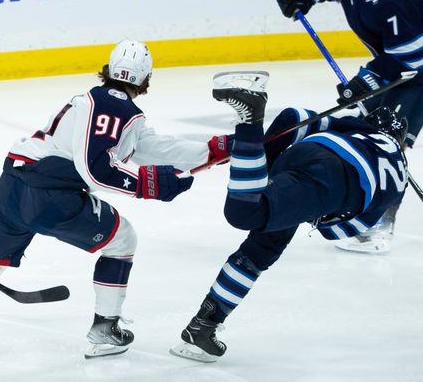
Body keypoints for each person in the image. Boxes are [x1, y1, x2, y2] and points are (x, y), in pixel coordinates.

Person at [0, 40, 233, 358]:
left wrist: (214, 151)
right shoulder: (113, 106)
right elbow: (95, 169)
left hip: (14, 183)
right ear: (146, 78)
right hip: (50, 195)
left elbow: (154, 149)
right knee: (123, 240)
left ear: (108, 68)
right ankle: (104, 331)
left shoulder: (106, 107)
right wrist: (150, 185)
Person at [170, 72, 408, 362]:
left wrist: (262, 159)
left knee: (263, 247)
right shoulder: (399, 173)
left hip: (308, 152)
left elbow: (293, 117)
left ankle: (203, 326)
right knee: (245, 213)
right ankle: (250, 120)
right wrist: (250, 141)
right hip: (333, 182)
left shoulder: (357, 127)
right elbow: (350, 228)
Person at [275, 0, 423, 253]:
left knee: (389, 141)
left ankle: (379, 226)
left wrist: (367, 81)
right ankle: (364, 210)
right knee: (369, 130)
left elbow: (413, 55)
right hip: (402, 67)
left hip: (419, 72)